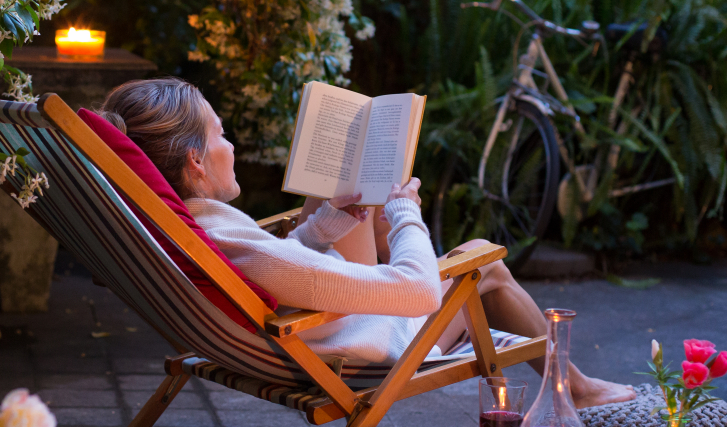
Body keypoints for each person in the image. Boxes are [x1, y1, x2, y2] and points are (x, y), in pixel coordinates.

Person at [95, 77, 635, 408]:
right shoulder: (232, 240)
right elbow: (419, 290)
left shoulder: (191, 228)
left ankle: (570, 381)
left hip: (308, 331)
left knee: (357, 200)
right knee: (484, 263)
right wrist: (406, 213)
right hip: (355, 353)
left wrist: (329, 222)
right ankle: (576, 388)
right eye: (221, 134)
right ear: (194, 160)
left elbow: (281, 273)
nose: (230, 145)